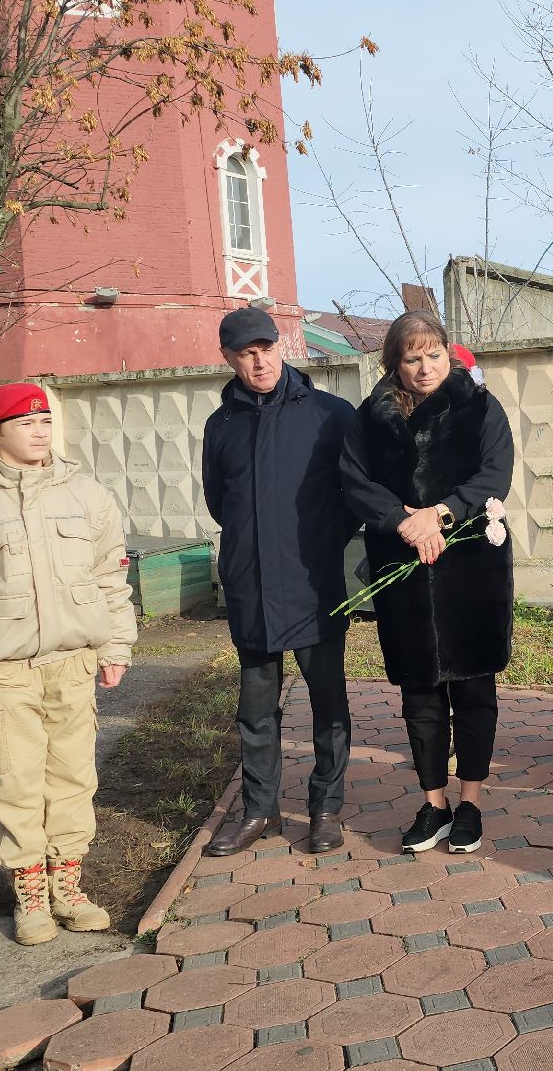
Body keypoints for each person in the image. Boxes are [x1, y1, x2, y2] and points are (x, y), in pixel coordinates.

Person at [0, 384, 136, 945]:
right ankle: (29, 891)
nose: (39, 430)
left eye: (44, 420)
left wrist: (115, 647)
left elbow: (110, 578)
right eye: (24, 421)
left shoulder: (88, 496)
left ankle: (69, 883)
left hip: (73, 664)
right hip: (4, 672)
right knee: (14, 779)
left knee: (73, 778)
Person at [341, 311, 514, 855]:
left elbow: (494, 473)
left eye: (434, 354)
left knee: (474, 686)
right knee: (419, 690)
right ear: (394, 362)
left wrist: (438, 513)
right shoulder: (370, 418)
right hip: (404, 566)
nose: (425, 367)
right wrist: (403, 522)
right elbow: (354, 481)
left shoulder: (480, 406)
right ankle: (433, 802)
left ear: (448, 352)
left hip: (470, 565)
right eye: (412, 357)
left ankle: (471, 803)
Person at [200, 308, 359, 858]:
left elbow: (354, 500)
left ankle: (325, 808)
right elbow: (221, 503)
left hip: (313, 584)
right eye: (246, 352)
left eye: (267, 347)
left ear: (282, 346)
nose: (260, 359)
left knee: (327, 702)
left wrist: (317, 543)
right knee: (255, 709)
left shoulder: (328, 414)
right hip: (250, 585)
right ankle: (259, 810)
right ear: (229, 358)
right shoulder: (220, 425)